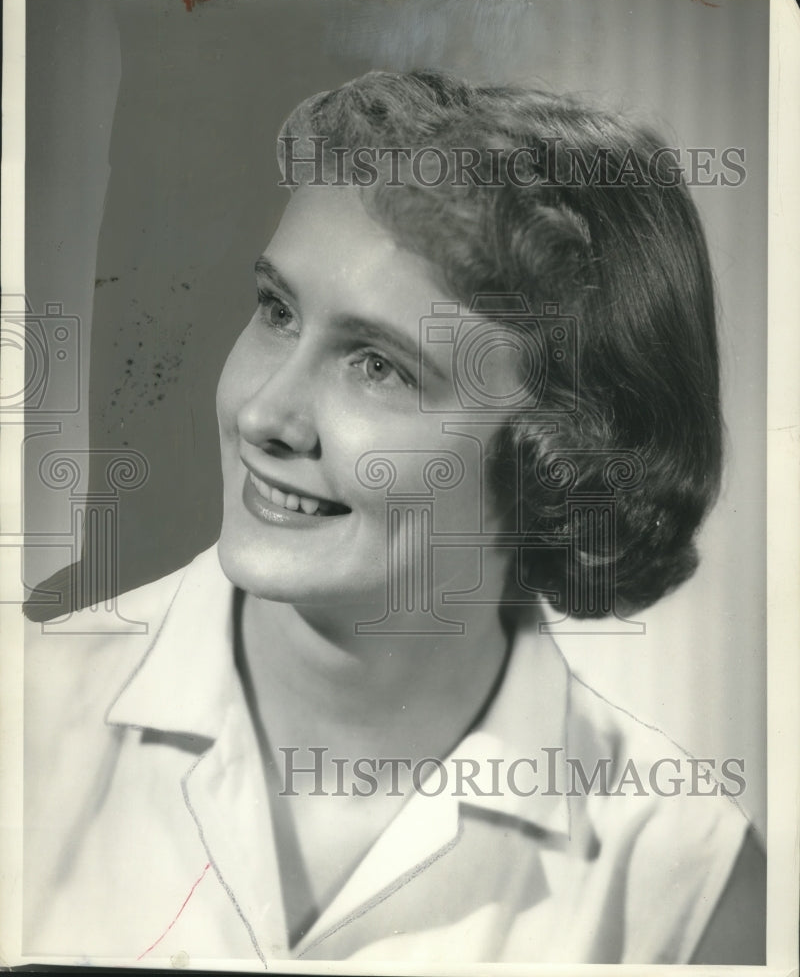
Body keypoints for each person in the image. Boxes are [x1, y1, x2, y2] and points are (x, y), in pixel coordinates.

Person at [23, 71, 765, 966]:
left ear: (555, 459)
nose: (265, 412)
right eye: (276, 311)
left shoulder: (681, 879)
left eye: (379, 366)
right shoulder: (20, 722)